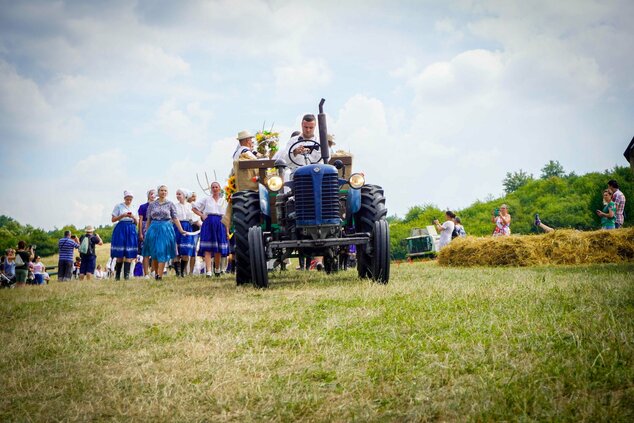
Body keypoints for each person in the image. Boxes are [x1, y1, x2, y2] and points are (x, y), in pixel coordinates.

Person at [142, 185, 187, 280]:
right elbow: (149, 219)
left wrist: (181, 230)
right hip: (153, 228)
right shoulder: (152, 205)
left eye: (165, 191)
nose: (163, 192)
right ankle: (155, 272)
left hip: (166, 228)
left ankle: (159, 275)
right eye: (161, 190)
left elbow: (175, 218)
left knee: (162, 251)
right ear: (158, 192)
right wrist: (146, 232)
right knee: (154, 252)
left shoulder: (170, 204)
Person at [193, 181, 229, 277]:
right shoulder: (206, 199)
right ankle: (208, 271)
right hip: (208, 223)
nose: (214, 189)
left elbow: (226, 217)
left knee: (218, 249)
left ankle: (217, 269)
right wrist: (202, 215)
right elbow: (194, 207)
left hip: (220, 223)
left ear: (219, 188)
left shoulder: (224, 201)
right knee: (208, 248)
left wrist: (227, 231)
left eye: (216, 187)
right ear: (211, 189)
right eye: (213, 187)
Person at [111, 190, 139, 280]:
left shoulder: (134, 207)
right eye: (127, 199)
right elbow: (113, 219)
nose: (129, 201)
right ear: (124, 198)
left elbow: (137, 222)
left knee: (129, 253)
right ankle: (117, 275)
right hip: (121, 228)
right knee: (120, 253)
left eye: (130, 199)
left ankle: (126, 276)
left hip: (131, 228)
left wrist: (134, 217)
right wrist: (122, 216)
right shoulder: (119, 206)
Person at [173, 188, 196, 277]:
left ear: (185, 195)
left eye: (179, 194)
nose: (178, 196)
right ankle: (178, 273)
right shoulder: (174, 206)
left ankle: (182, 272)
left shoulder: (190, 206)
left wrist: (203, 225)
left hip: (188, 228)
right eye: (177, 194)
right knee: (176, 251)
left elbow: (195, 219)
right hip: (176, 227)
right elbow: (173, 218)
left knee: (186, 250)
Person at [138, 188, 157, 277]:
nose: (153, 196)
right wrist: (140, 233)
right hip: (146, 228)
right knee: (146, 252)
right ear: (148, 195)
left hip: (156, 228)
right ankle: (146, 273)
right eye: (151, 194)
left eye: (154, 194)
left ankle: (153, 270)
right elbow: (140, 220)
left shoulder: (158, 206)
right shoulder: (143, 207)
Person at [187, 191, 202, 275]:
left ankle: (193, 270)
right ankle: (187, 269)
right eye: (192, 196)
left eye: (195, 196)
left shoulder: (197, 206)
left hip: (196, 231)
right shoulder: (187, 207)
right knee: (188, 249)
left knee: (194, 249)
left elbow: (199, 218)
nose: (194, 198)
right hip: (189, 229)